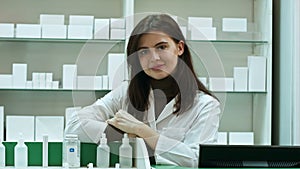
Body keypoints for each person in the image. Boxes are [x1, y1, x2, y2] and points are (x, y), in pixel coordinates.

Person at [65, 13, 221, 168]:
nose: (154, 58)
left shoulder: (205, 105)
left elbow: (196, 159)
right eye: (144, 51)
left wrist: (143, 131)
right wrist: (122, 132)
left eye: (161, 47)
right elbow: (74, 126)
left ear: (179, 48)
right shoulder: (126, 93)